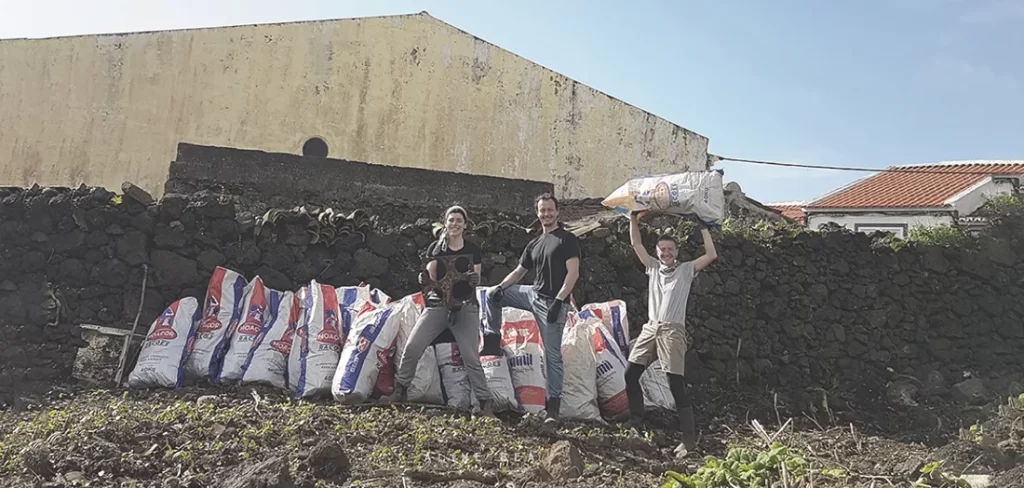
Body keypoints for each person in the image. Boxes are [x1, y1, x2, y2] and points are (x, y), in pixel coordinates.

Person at [382, 205, 494, 416]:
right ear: (445, 223)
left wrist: (474, 280)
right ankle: (400, 390)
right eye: (451, 220)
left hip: (465, 307)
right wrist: (422, 279)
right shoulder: (436, 248)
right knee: (413, 346)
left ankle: (484, 401)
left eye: (459, 220)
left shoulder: (473, 250)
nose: (455, 224)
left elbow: (475, 280)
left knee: (471, 356)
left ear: (465, 225)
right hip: (439, 305)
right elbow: (431, 277)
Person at [623, 211, 717, 456]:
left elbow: (711, 255)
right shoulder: (652, 268)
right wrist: (633, 218)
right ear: (657, 252)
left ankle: (688, 440)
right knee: (631, 374)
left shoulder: (686, 270)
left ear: (676, 252)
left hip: (673, 331)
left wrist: (703, 227)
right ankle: (636, 421)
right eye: (662, 249)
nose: (666, 253)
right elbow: (636, 243)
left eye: (670, 250)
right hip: (651, 328)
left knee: (675, 384)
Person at [483, 193, 580, 423]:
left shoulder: (567, 240)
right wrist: (501, 287)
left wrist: (559, 300)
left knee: (552, 355)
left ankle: (553, 408)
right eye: (542, 210)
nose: (546, 214)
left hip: (552, 303)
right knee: (490, 295)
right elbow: (519, 272)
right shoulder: (534, 243)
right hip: (532, 294)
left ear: (557, 212)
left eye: (550, 210)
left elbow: (573, 273)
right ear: (537, 213)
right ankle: (492, 343)